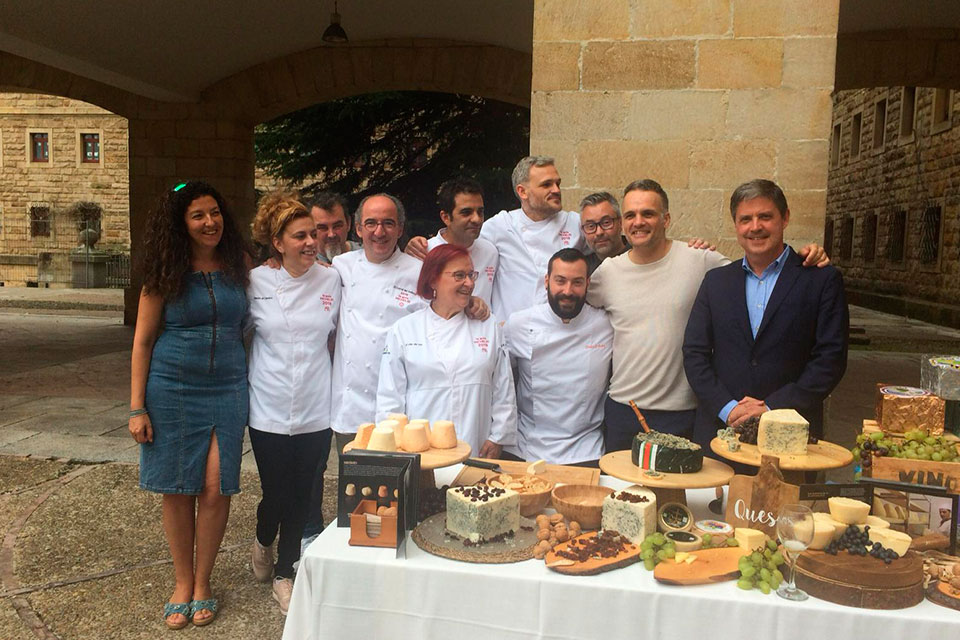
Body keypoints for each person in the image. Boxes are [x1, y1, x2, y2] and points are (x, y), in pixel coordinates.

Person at [587, 179, 830, 453]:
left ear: (666, 219)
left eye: (649, 213)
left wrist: (807, 256)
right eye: (631, 215)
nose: (639, 221)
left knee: (682, 495)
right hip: (624, 411)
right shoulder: (607, 273)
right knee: (623, 493)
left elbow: (761, 268)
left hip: (684, 413)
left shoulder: (700, 259)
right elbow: (573, 310)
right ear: (622, 222)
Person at [128, 181, 250, 629]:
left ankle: (204, 582)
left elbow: (293, 269)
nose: (209, 222)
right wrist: (136, 407)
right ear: (181, 223)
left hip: (229, 387)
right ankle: (182, 583)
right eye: (198, 215)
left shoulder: (239, 263)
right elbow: (142, 341)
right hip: (173, 388)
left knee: (217, 488)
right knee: (178, 488)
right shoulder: (165, 271)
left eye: (215, 212)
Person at [683, 179, 848, 449]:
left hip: (790, 434)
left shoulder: (820, 280)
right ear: (736, 225)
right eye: (745, 219)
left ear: (785, 218)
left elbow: (830, 359)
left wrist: (773, 407)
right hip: (721, 431)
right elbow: (694, 352)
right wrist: (728, 408)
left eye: (765, 216)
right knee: (714, 494)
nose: (755, 226)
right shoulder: (716, 281)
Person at [246, 192, 341, 615]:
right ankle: (263, 538)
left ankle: (285, 573)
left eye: (314, 234)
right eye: (299, 235)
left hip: (316, 407)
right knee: (276, 495)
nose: (310, 242)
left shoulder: (333, 279)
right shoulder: (256, 282)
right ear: (277, 243)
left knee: (303, 494)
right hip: (266, 405)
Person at [376, 244, 517, 457]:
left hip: (476, 445)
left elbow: (503, 388)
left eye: (471, 275)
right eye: (459, 275)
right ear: (433, 279)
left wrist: (498, 437)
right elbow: (390, 396)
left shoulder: (488, 326)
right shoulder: (404, 330)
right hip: (419, 452)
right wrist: (395, 447)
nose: (469, 283)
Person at [330, 194, 426, 455]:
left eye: (388, 223)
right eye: (370, 223)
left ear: (401, 229)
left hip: (401, 406)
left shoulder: (418, 272)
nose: (379, 232)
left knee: (397, 491)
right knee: (353, 492)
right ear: (358, 229)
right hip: (350, 408)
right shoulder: (340, 267)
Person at [504, 248, 613, 466]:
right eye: (560, 281)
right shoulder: (519, 323)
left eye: (577, 282)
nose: (568, 291)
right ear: (547, 281)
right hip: (527, 447)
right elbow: (500, 383)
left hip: (587, 449)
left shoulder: (606, 324)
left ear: (587, 284)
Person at [425, 177, 499, 305]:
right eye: (466, 213)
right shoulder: (425, 252)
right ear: (446, 217)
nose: (476, 219)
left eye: (480, 212)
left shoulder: (490, 252)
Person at [304, 191, 361, 263]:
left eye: (337, 226)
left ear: (348, 223)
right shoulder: (304, 265)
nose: (331, 234)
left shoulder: (367, 257)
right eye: (322, 228)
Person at [579, 192, 628, 275]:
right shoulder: (583, 270)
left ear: (620, 223)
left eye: (606, 222)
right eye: (591, 226)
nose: (599, 232)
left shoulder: (640, 257)